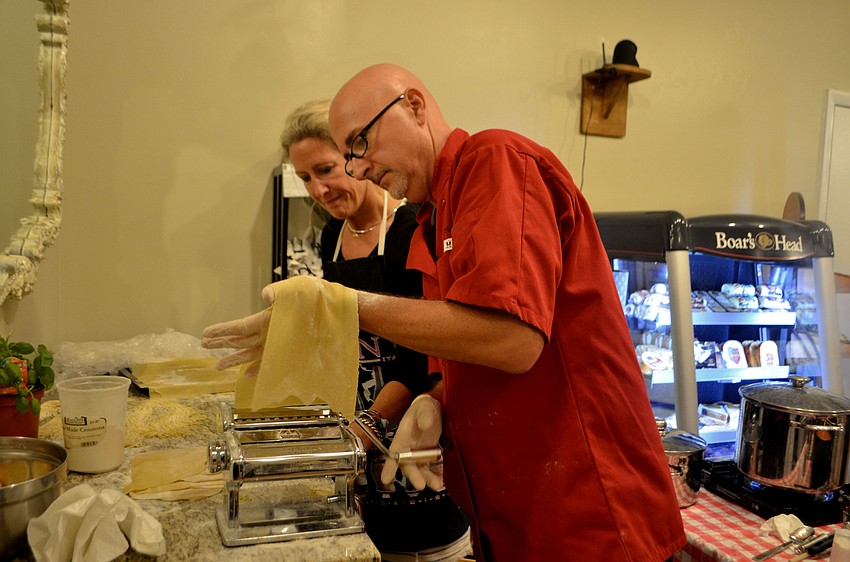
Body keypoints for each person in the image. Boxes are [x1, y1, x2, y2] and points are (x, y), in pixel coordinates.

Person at [205, 64, 686, 561]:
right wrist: (436, 402)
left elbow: (514, 340)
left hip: (587, 509)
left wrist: (341, 307)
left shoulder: (495, 159)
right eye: (347, 157)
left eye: (360, 145)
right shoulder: (434, 219)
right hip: (510, 511)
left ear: (414, 106)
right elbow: (457, 346)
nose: (358, 169)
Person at [277, 99, 471, 560]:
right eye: (305, 178)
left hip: (412, 428)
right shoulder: (332, 237)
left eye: (326, 170)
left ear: (353, 158)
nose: (318, 190)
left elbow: (421, 356)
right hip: (358, 431)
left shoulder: (409, 229)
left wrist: (362, 432)